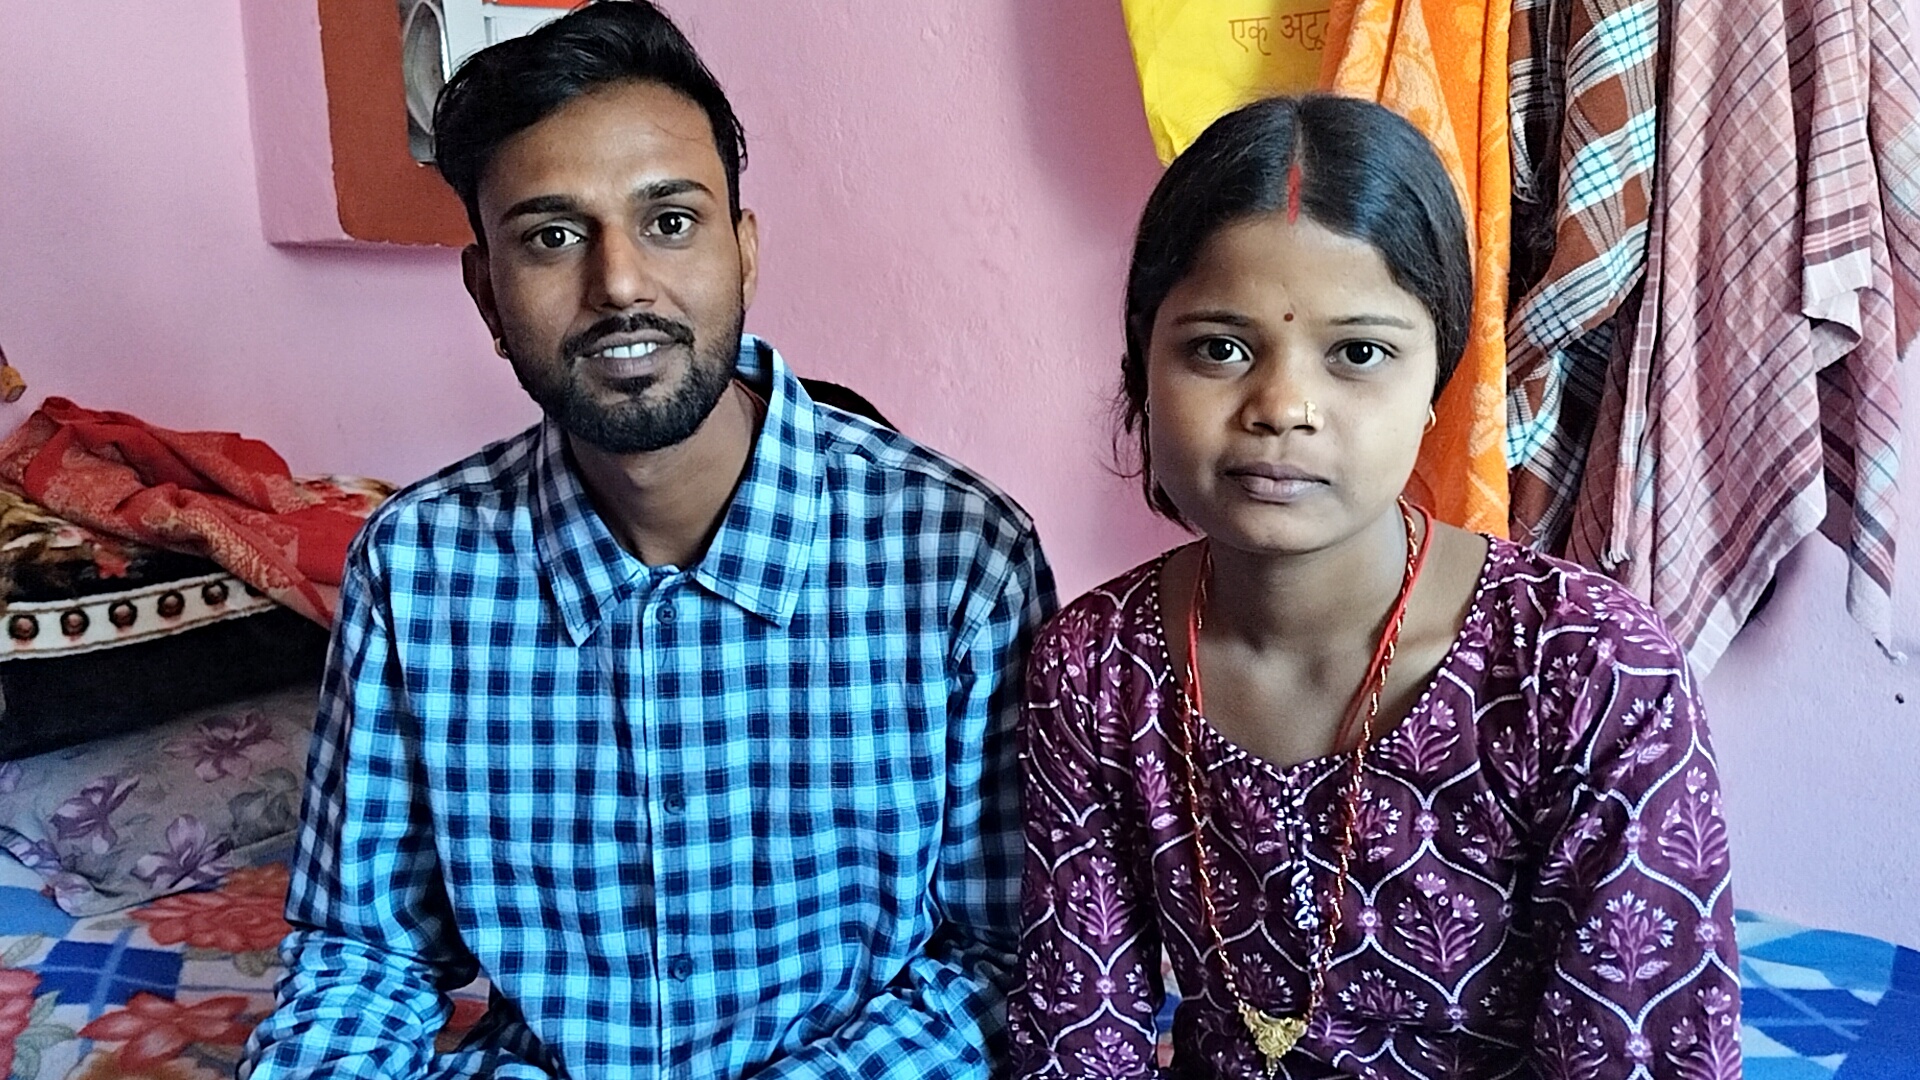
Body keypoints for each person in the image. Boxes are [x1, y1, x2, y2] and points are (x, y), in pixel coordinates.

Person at [241, 4, 1055, 1077]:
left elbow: (1003, 958)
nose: (619, 283)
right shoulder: (418, 570)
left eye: (669, 221)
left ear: (743, 253)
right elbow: (365, 953)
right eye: (550, 236)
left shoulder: (958, 558)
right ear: (487, 293)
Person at [1008, 96, 1740, 1078]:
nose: (1282, 408)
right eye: (1219, 347)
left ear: (1436, 376)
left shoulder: (1589, 674)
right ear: (1142, 358)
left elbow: (1634, 1056)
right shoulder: (1097, 670)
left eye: (1358, 353)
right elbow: (1078, 1042)